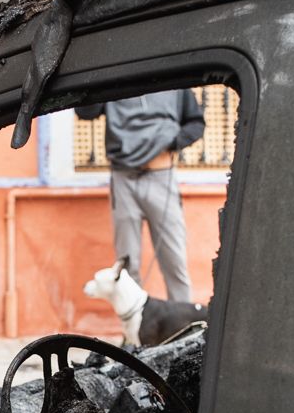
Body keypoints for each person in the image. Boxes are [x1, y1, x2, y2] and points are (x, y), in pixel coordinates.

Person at [76, 90, 205, 303]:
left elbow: (196, 123)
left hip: (161, 178)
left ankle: (185, 328)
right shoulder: (117, 77)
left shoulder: (175, 79)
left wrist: (172, 142)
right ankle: (133, 333)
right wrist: (102, 78)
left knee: (174, 261)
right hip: (123, 179)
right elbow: (85, 112)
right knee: (127, 265)